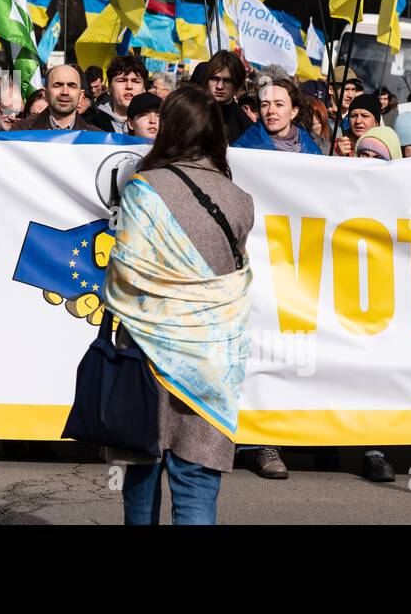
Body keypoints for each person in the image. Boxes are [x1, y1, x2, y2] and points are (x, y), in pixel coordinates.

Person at [104, 85, 255, 523]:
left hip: (146, 360)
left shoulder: (143, 189)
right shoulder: (239, 200)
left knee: (141, 480)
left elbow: (124, 273)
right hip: (210, 361)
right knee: (196, 486)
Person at [233, 78, 321, 154]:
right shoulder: (243, 149)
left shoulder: (312, 150)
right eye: (265, 105)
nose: (270, 111)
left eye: (279, 104)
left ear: (293, 112)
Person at [10, 64, 101, 131]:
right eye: (57, 85)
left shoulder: (97, 138)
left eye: (71, 86)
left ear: (81, 95)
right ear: (45, 93)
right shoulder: (20, 130)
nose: (65, 92)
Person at [200, 51, 251, 143]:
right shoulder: (192, 116)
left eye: (227, 81)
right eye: (215, 79)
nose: (220, 86)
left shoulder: (246, 128)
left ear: (237, 84)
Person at [92, 55, 149, 133]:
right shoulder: (90, 127)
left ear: (144, 88)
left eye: (135, 81)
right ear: (109, 87)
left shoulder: (158, 126)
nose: (129, 86)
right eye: (122, 80)